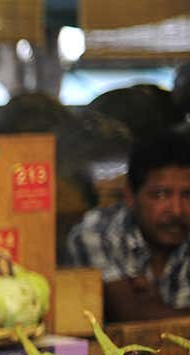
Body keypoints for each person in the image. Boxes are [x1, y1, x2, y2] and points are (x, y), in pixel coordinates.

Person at [66, 126, 190, 321]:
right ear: (130, 196)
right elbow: (131, 316)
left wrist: (151, 305)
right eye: (160, 195)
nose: (177, 210)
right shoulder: (96, 232)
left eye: (187, 195)